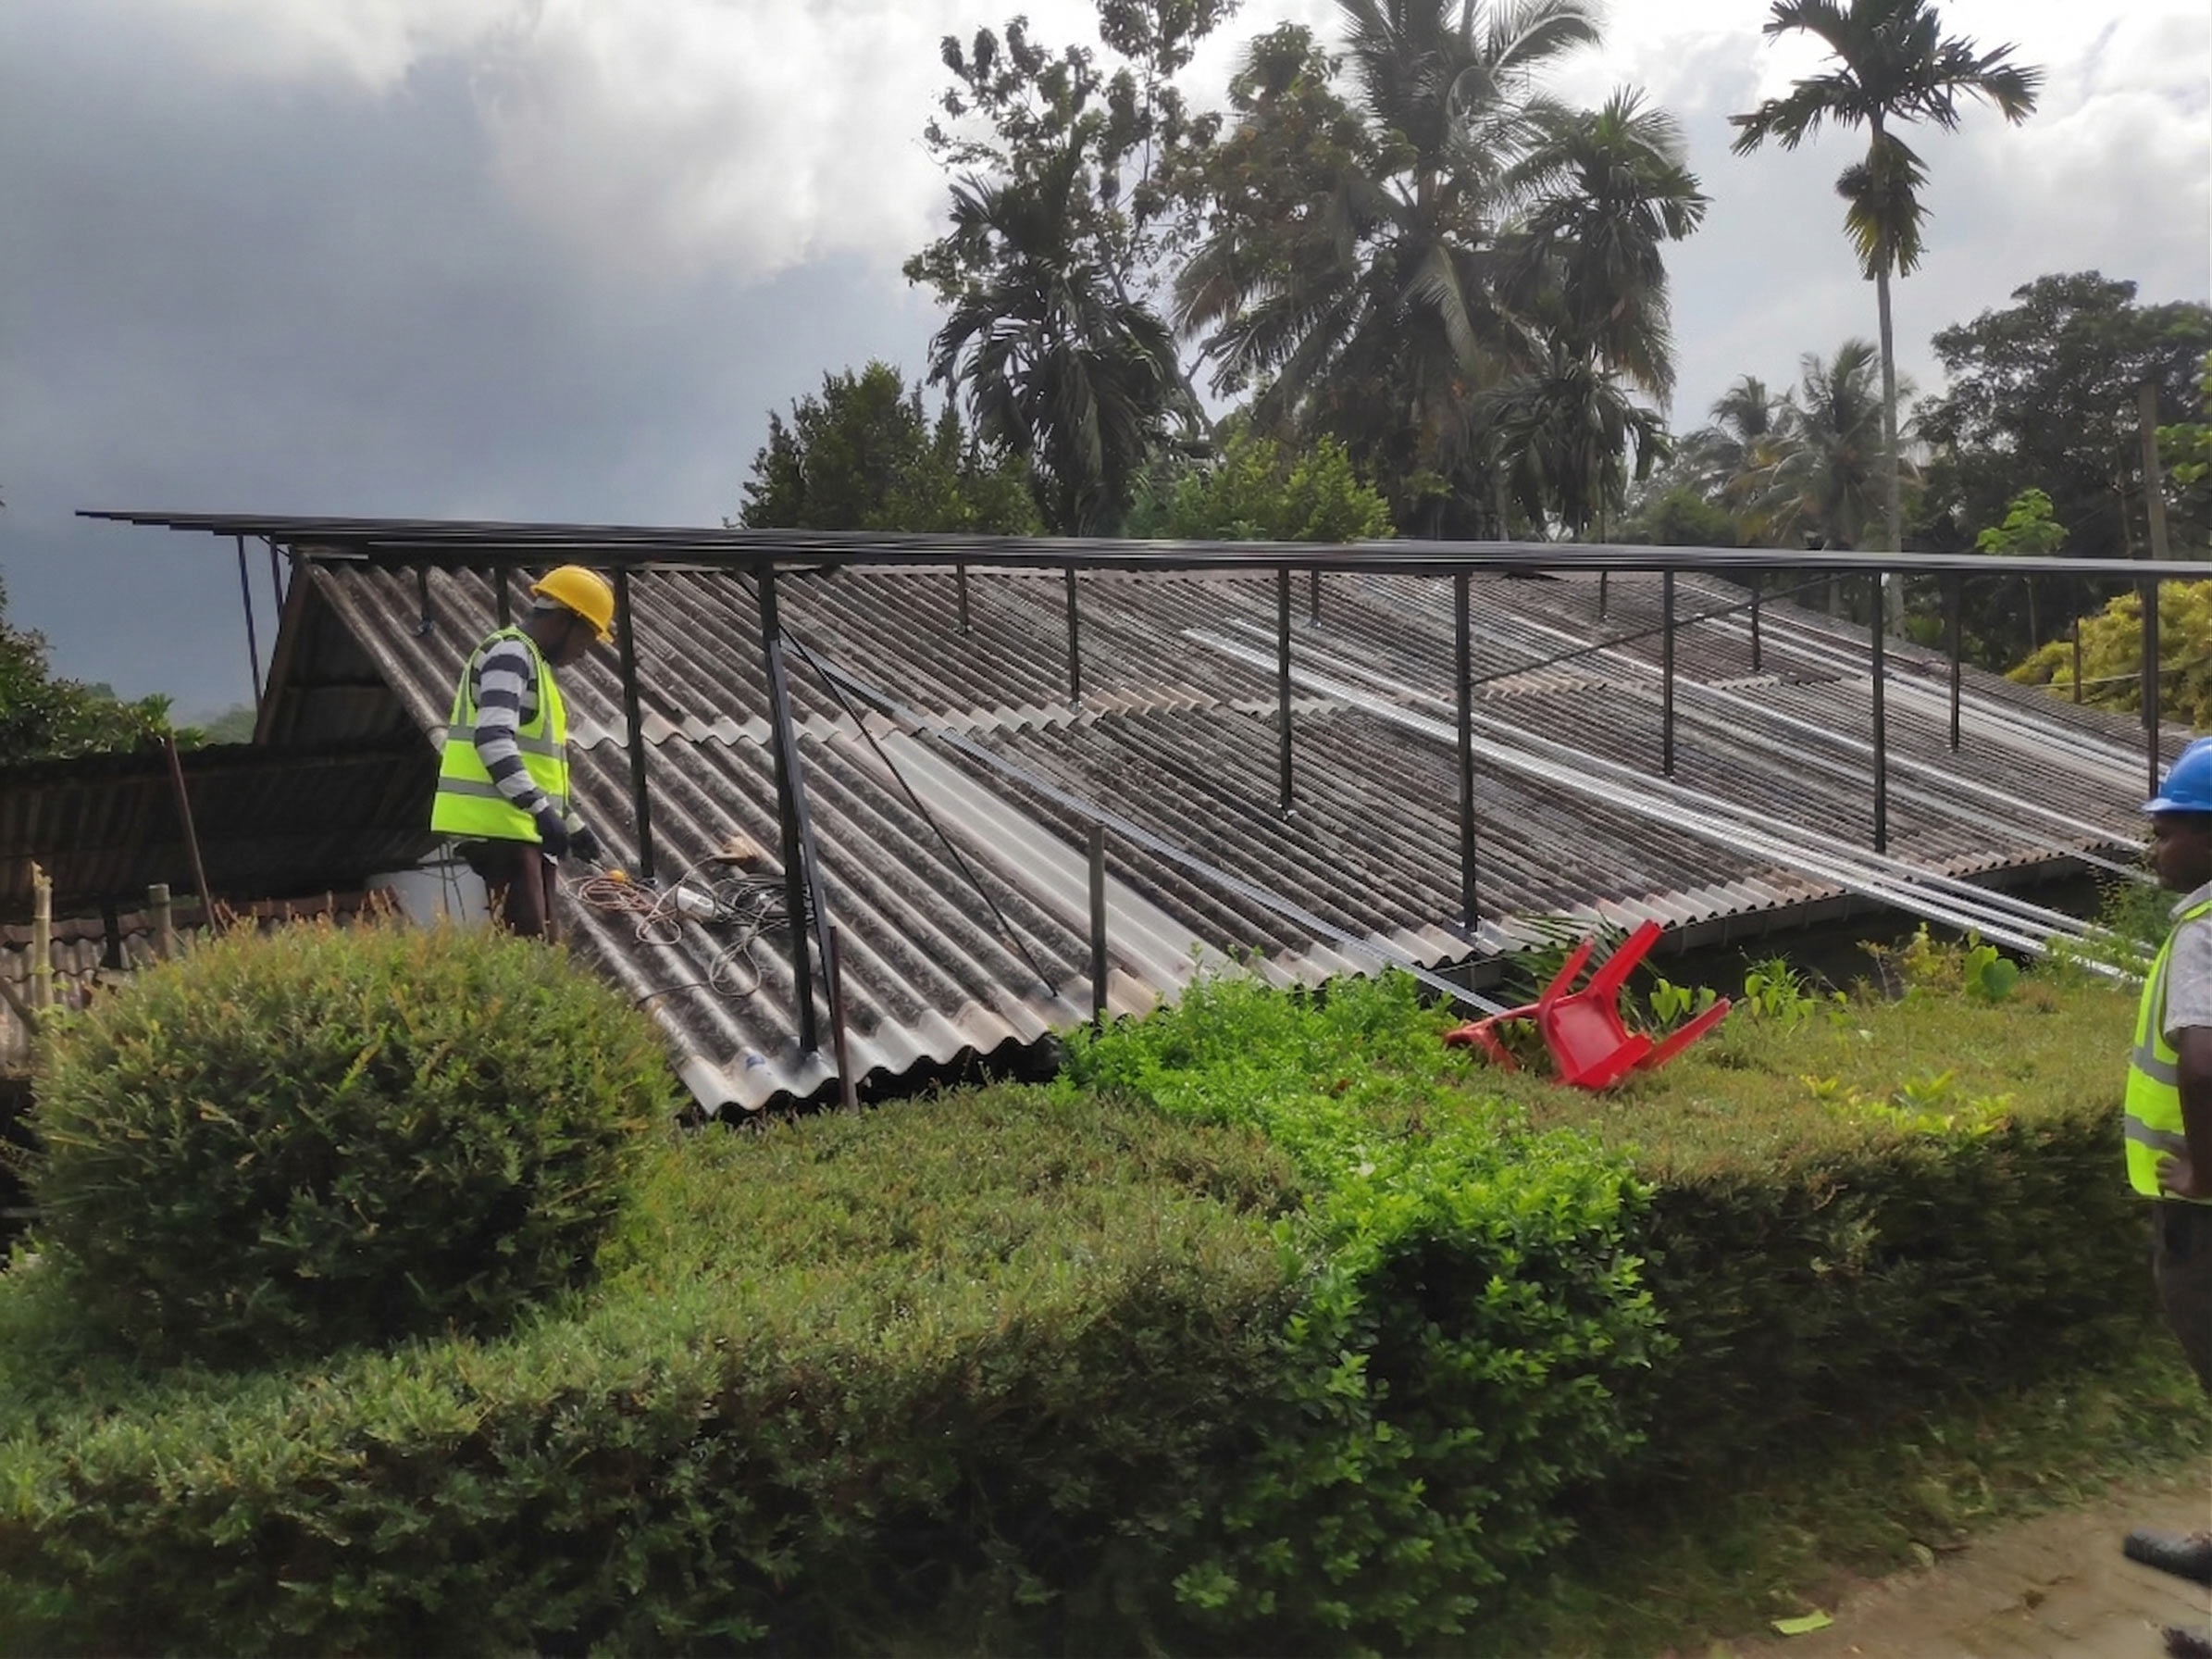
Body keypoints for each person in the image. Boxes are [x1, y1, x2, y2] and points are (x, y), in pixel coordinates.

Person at [2118, 737, 2212, 1647]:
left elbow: (2200, 1058)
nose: (2154, 850)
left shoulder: (2202, 928)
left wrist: (2206, 1169)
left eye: (2170, 831)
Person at [429, 566, 613, 939]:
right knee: (529, 947)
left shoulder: (530, 662)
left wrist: (572, 825)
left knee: (544, 943)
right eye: (587, 639)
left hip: (517, 826)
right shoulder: (510, 654)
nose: (584, 652)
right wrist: (541, 811)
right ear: (566, 620)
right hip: (500, 828)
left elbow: (530, 763)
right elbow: (493, 738)